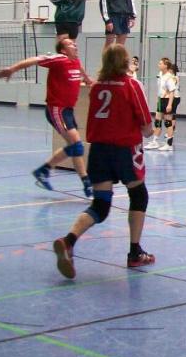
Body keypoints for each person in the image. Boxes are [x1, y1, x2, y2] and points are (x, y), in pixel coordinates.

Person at [52, 44, 155, 279]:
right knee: (139, 195)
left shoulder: (97, 87)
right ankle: (135, 252)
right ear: (125, 62)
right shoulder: (131, 85)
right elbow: (147, 127)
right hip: (125, 150)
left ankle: (68, 241)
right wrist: (148, 130)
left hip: (98, 151)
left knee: (101, 205)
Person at [0, 39, 93, 197]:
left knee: (75, 147)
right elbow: (35, 59)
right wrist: (12, 69)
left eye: (74, 43)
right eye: (70, 44)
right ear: (63, 50)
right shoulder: (59, 59)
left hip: (68, 110)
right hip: (57, 109)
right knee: (77, 146)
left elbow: (80, 69)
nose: (75, 45)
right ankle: (82, 180)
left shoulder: (75, 61)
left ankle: (77, 180)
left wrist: (88, 79)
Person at [146, 58, 180, 152]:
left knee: (168, 122)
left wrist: (169, 105)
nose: (159, 65)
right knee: (157, 121)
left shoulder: (169, 77)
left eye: (161, 63)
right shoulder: (161, 74)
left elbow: (172, 92)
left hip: (167, 100)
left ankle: (169, 144)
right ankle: (155, 141)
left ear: (166, 66)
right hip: (161, 99)